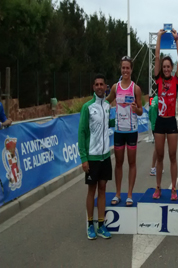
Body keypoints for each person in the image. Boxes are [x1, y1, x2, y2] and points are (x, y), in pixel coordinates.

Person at [79, 74, 114, 240]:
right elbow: (82, 132)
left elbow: (109, 124)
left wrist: (125, 115)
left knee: (103, 189)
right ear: (93, 87)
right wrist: (84, 158)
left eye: (102, 84)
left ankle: (101, 225)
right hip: (92, 157)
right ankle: (89, 224)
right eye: (97, 84)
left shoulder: (107, 106)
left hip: (105, 156)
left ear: (105, 87)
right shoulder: (87, 107)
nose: (100, 87)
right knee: (91, 190)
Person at [106, 56, 143, 206]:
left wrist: (136, 109)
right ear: (121, 69)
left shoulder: (136, 88)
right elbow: (107, 100)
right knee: (119, 163)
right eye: (123, 68)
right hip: (119, 131)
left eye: (128, 68)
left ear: (131, 70)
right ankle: (117, 193)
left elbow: (140, 111)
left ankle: (129, 194)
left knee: (132, 162)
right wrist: (95, 101)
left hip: (132, 130)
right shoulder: (116, 87)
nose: (125, 70)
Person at [152, 29, 178, 200]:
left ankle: (174, 189)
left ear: (171, 68)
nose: (166, 69)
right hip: (159, 122)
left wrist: (176, 40)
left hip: (171, 122)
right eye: (164, 67)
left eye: (168, 66)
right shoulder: (159, 79)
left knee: (172, 155)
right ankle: (158, 187)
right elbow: (156, 57)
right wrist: (159, 38)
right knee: (160, 156)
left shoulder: (176, 80)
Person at [149, 95, 158, 176]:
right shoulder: (159, 100)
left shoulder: (154, 99)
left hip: (153, 125)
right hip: (158, 126)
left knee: (158, 147)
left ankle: (158, 166)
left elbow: (149, 113)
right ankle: (153, 168)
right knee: (158, 147)